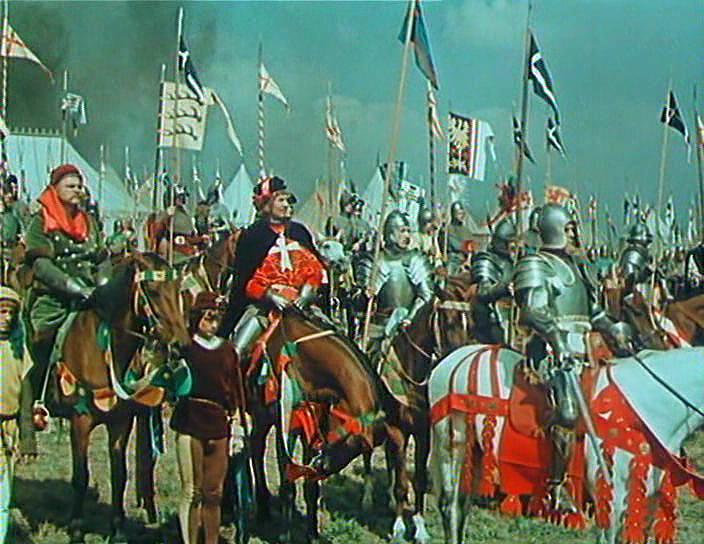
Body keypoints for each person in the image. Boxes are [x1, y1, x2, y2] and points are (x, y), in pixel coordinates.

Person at [513, 203, 631, 513]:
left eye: (573, 229)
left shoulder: (579, 268)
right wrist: (556, 338)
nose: (575, 235)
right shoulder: (537, 264)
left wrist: (614, 328)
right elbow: (533, 311)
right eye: (569, 229)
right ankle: (557, 485)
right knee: (567, 411)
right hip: (551, 351)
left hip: (585, 349)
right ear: (554, 230)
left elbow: (594, 312)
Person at [23, 164, 105, 415]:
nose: (77, 190)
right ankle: (36, 398)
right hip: (53, 297)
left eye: (79, 186)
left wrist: (103, 286)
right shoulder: (41, 221)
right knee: (41, 340)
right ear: (55, 188)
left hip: (90, 296)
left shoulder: (89, 221)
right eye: (71, 185)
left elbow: (101, 258)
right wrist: (73, 287)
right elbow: (41, 265)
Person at [219, 176, 326, 362]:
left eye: (288, 201)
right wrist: (269, 295)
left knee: (335, 337)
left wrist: (308, 293)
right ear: (267, 205)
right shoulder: (253, 236)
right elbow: (243, 281)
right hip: (264, 309)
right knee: (237, 352)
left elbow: (318, 269)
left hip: (302, 306)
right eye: (281, 200)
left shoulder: (299, 232)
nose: (287, 205)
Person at [171, 291, 246, 544]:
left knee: (214, 493)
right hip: (190, 422)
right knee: (192, 492)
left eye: (217, 319)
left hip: (219, 425)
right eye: (209, 318)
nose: (213, 324)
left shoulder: (228, 351)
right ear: (197, 318)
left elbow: (236, 389)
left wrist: (238, 421)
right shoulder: (185, 348)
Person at [355, 210, 434, 358]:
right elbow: (358, 303)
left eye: (408, 231)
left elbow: (426, 295)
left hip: (411, 329)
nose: (407, 236)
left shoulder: (416, 259)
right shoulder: (373, 261)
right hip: (379, 327)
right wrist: (365, 295)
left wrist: (410, 318)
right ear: (390, 233)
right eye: (402, 231)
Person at [0, 286, 34, 544]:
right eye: (2, 312)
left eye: (11, 313)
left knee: (3, 495)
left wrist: (27, 436)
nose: (7, 318)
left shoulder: (19, 347)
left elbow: (25, 393)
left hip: (9, 430)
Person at [471, 217, 516, 345]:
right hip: (493, 319)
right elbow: (483, 292)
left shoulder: (513, 262)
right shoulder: (486, 261)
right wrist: (504, 287)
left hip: (514, 317)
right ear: (502, 243)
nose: (513, 246)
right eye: (510, 242)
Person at [153, 185, 208, 265]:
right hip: (174, 247)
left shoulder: (187, 213)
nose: (182, 200)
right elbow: (157, 230)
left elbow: (192, 233)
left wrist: (200, 238)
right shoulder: (167, 213)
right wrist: (167, 215)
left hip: (189, 244)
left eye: (183, 198)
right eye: (180, 198)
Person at [442, 201, 478, 275]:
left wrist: (469, 259)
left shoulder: (466, 230)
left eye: (462, 213)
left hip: (466, 260)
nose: (462, 216)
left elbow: (472, 248)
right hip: (453, 260)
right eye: (459, 214)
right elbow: (455, 246)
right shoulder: (447, 230)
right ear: (454, 214)